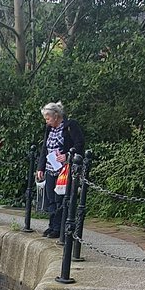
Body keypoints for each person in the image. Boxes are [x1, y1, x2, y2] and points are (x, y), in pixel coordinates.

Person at [36, 102, 85, 239]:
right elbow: (45, 148)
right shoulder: (49, 129)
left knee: (60, 199)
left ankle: (60, 228)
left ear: (56, 116)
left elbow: (80, 144)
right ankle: (52, 225)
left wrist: (68, 155)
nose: (47, 121)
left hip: (64, 169)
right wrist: (41, 167)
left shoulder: (70, 126)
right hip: (51, 168)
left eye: (48, 118)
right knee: (51, 198)